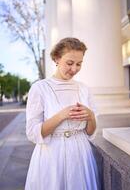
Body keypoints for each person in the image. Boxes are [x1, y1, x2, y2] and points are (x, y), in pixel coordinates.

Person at [25, 37, 100, 190]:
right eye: (70, 63)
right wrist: (62, 115)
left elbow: (90, 132)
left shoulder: (84, 88)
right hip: (52, 157)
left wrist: (91, 116)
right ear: (57, 58)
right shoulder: (40, 88)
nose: (74, 69)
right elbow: (32, 133)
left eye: (79, 64)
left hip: (81, 154)